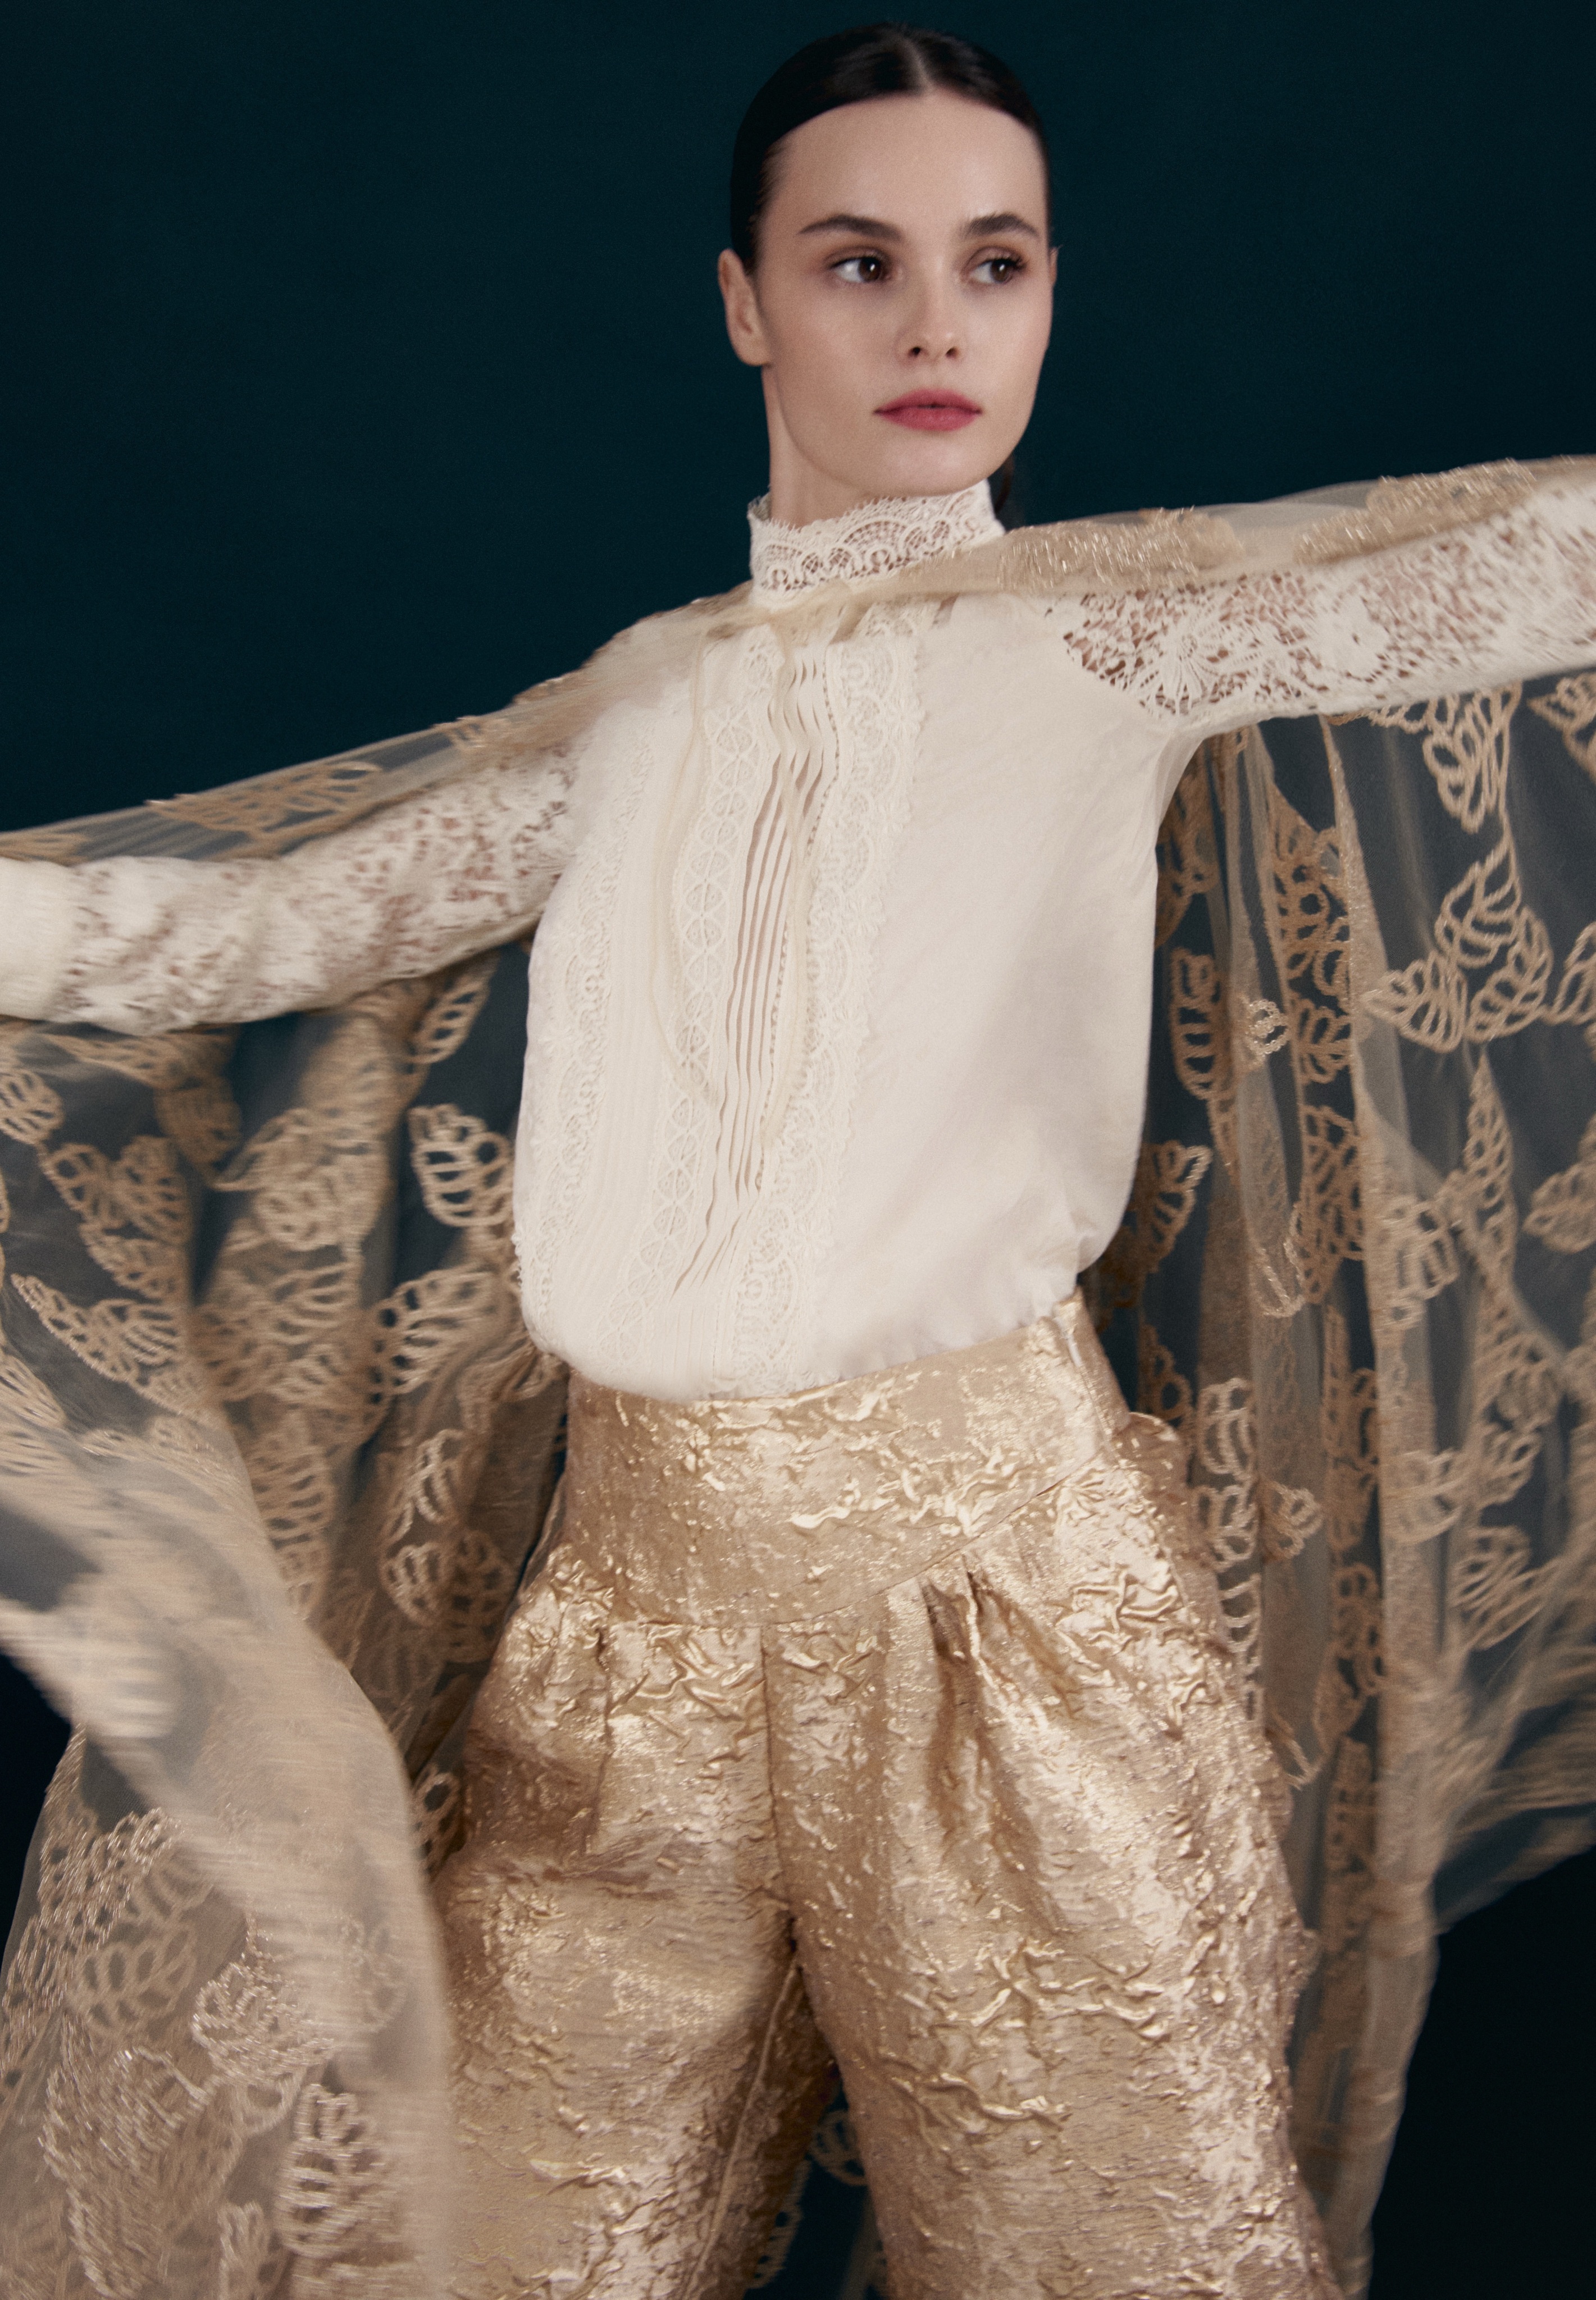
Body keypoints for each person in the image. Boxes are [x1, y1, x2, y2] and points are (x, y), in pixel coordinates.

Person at [0, 22, 1593, 2300]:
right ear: (744, 301)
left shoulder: (1112, 635)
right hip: (627, 1639)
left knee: (1114, 2263)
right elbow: (255, 927)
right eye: (863, 262)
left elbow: (1529, 564)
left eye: (997, 262)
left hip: (990, 1617)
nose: (940, 324)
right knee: (504, 2255)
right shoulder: (633, 705)